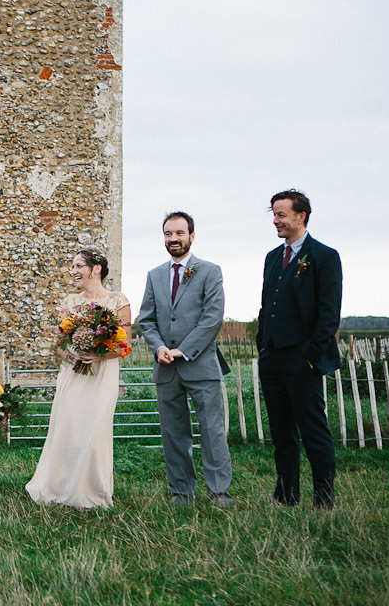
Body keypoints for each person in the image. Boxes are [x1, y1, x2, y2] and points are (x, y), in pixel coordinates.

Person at [138, 212, 233, 507]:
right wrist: (158, 348)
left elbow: (212, 318)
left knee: (212, 432)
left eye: (179, 233)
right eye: (168, 234)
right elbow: (146, 319)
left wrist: (183, 350)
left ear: (192, 236)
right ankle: (181, 493)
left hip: (201, 366)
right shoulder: (154, 275)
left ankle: (219, 493)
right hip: (166, 369)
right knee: (174, 435)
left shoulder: (210, 271)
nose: (173, 239)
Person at [256, 189, 342, 510]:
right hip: (273, 358)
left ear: (300, 216)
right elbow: (266, 306)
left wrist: (310, 355)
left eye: (281, 215)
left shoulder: (324, 256)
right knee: (281, 433)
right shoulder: (272, 257)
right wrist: (263, 345)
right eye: (274, 215)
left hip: (303, 360)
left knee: (313, 431)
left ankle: (323, 499)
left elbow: (329, 314)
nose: (275, 221)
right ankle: (287, 496)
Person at [26, 249, 131, 509]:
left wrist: (99, 355)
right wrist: (72, 356)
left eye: (79, 266)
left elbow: (124, 345)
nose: (73, 271)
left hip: (103, 375)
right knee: (68, 429)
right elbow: (59, 343)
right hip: (73, 374)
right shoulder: (71, 301)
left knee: (95, 431)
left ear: (96, 269)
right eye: (72, 266)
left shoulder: (118, 300)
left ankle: (92, 492)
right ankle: (61, 488)